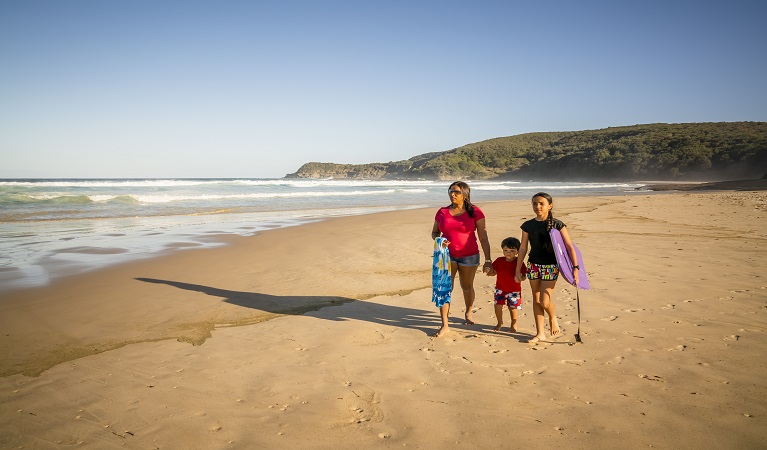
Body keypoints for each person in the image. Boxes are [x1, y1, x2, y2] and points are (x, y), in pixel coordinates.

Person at [515, 192, 579, 343]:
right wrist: (518, 268)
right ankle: (540, 333)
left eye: (541, 203)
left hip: (551, 266)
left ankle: (552, 316)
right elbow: (523, 248)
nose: (537, 206)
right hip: (533, 265)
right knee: (536, 299)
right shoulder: (527, 225)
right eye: (534, 203)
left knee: (545, 301)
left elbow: (569, 246)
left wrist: (575, 267)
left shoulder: (558, 224)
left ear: (550, 206)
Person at [431, 181, 492, 337]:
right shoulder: (442, 212)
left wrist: (488, 260)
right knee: (445, 288)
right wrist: (440, 240)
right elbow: (434, 232)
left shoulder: (476, 212)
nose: (452, 194)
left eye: (456, 192)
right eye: (451, 191)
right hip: (446, 256)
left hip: (470, 256)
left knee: (467, 287)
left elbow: (483, 237)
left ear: (465, 194)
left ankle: (469, 311)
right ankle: (445, 324)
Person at [485, 237, 527, 333]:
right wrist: (489, 271)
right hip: (500, 289)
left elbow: (524, 276)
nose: (508, 253)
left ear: (517, 251)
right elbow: (493, 272)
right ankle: (499, 322)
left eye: (512, 250)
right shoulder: (499, 260)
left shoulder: (519, 262)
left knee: (512, 308)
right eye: (506, 250)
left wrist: (520, 277)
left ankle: (513, 324)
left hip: (514, 290)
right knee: (497, 306)